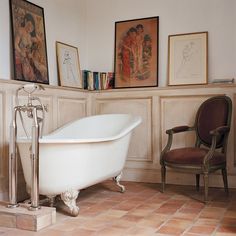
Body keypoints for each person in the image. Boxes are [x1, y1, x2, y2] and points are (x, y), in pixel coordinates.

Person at [14, 13, 47, 82]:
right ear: (25, 21)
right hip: (20, 53)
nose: (30, 27)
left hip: (27, 55)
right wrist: (21, 52)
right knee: (29, 71)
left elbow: (36, 43)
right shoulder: (20, 30)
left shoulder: (29, 35)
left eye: (31, 26)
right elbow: (15, 44)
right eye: (29, 24)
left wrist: (30, 54)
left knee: (40, 67)